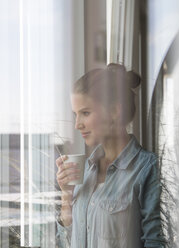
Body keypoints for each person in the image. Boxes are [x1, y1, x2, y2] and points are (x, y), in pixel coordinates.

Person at [56, 63, 165, 248]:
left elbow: (156, 243)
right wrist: (67, 197)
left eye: (85, 113)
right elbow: (66, 244)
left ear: (115, 111)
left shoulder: (147, 169)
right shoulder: (86, 171)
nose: (77, 124)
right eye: (75, 114)